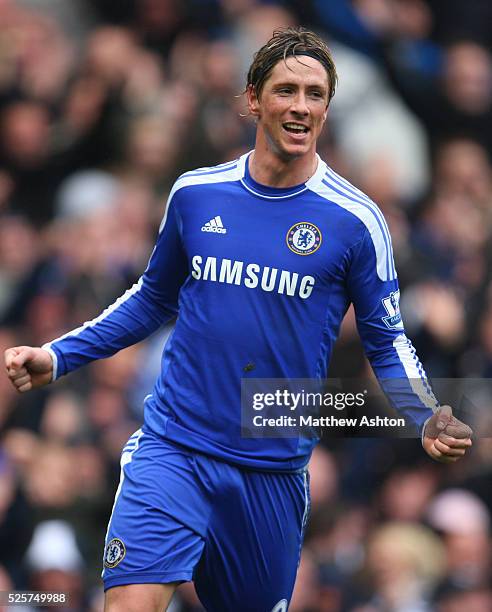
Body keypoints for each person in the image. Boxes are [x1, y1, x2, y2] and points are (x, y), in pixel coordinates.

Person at [4, 28, 472, 612]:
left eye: (315, 94)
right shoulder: (196, 195)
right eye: (286, 90)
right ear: (253, 98)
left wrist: (422, 413)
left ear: (327, 107)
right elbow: (151, 298)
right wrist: (58, 356)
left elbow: (387, 338)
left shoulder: (356, 220)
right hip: (173, 445)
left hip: (269, 468)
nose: (300, 106)